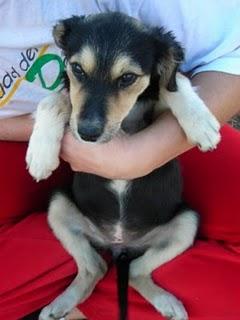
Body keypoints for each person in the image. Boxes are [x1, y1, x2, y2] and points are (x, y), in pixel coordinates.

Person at [0, 1, 240, 319]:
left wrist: (144, 151)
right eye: (78, 71)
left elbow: (217, 61)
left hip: (155, 206)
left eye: (126, 79)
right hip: (41, 157)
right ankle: (94, 282)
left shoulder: (155, 31)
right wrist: (49, 123)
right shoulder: (68, 52)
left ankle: (123, 283)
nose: (93, 118)